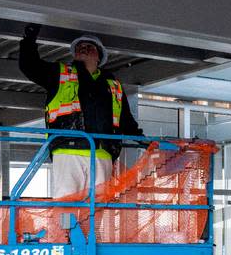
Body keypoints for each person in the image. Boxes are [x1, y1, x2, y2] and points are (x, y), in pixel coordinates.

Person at [18, 23, 141, 197]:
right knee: (66, 206)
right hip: (67, 151)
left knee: (98, 212)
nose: (83, 49)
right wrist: (29, 40)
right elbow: (29, 66)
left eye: (89, 47)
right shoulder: (60, 74)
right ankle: (67, 226)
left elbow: (127, 123)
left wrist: (148, 143)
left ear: (99, 56)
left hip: (102, 154)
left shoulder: (113, 86)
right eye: (80, 47)